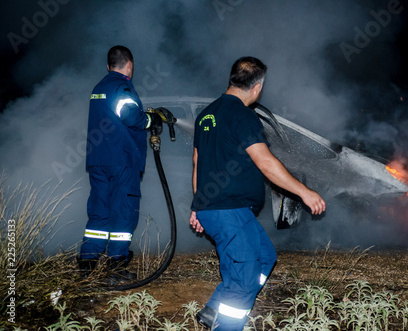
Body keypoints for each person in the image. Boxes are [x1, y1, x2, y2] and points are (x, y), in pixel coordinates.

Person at [189, 56, 326, 330]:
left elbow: (197, 164)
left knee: (265, 257)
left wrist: (198, 205)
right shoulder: (243, 115)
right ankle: (226, 323)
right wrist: (305, 193)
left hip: (221, 209)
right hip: (229, 211)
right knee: (243, 279)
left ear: (232, 78)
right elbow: (265, 162)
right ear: (258, 87)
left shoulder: (206, 114)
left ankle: (215, 306)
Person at [77, 45, 163, 281]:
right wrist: (151, 119)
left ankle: (88, 263)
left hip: (98, 160)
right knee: (123, 211)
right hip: (122, 160)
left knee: (99, 211)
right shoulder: (121, 86)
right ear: (130, 64)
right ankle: (116, 266)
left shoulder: (99, 88)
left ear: (108, 65)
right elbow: (130, 116)